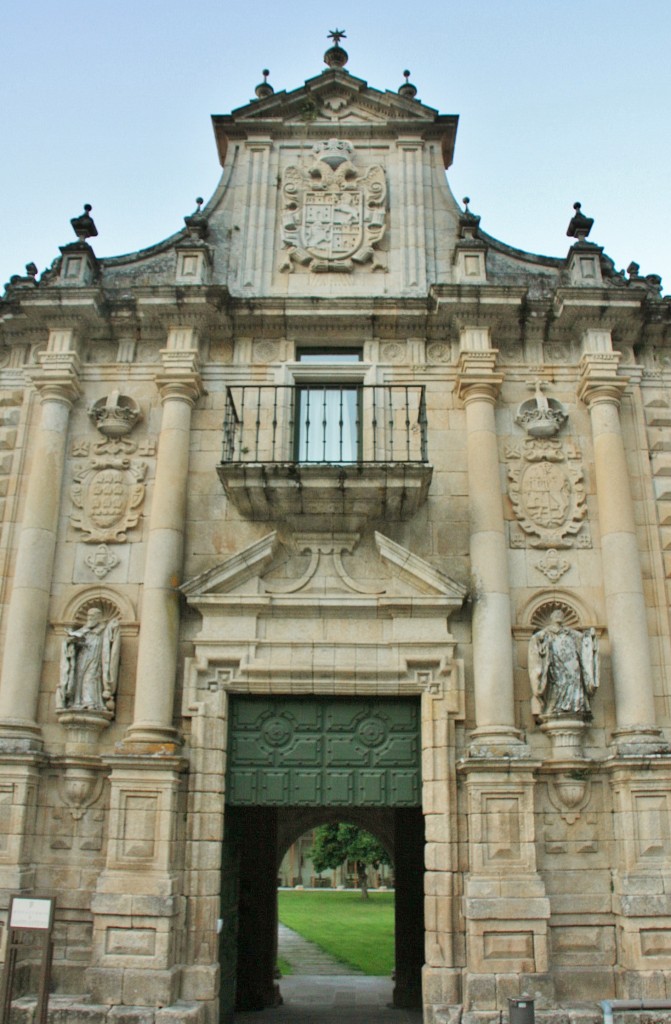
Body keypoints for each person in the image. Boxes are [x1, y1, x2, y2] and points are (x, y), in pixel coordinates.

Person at [528, 608, 598, 719]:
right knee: (557, 683)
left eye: (560, 614)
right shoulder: (546, 632)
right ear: (551, 618)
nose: (558, 615)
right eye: (556, 614)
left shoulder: (570, 632)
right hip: (555, 662)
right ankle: (556, 706)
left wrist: (590, 636)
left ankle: (574, 706)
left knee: (573, 680)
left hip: (571, 662)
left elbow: (583, 640)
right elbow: (536, 639)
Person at [59, 607, 120, 713]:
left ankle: (91, 702)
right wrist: (72, 641)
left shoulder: (103, 629)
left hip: (95, 657)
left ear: (99, 617)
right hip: (82, 657)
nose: (89, 618)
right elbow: (72, 640)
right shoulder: (84, 629)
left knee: (91, 676)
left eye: (92, 616)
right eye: (88, 616)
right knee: (79, 676)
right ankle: (77, 701)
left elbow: (110, 640)